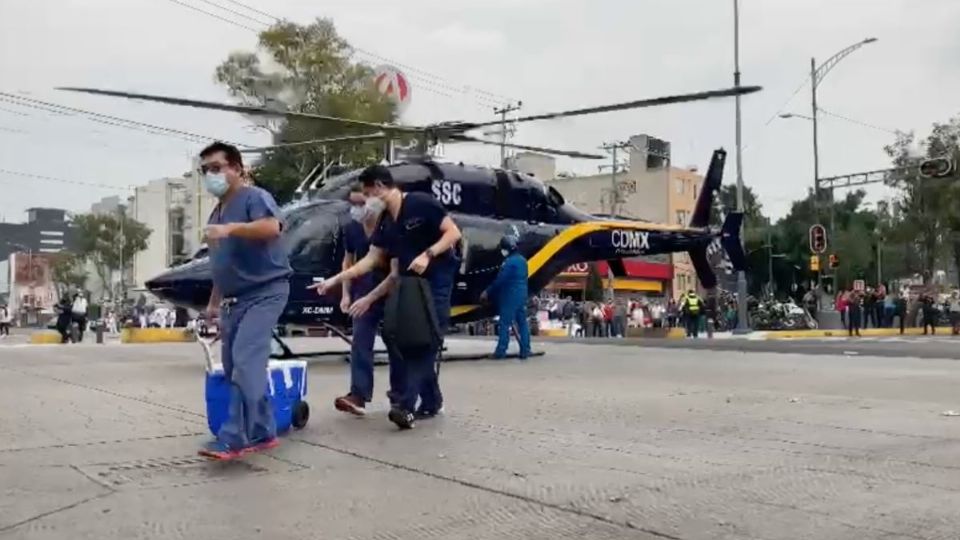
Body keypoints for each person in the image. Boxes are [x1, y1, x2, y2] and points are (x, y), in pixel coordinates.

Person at [311, 165, 461, 430]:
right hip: (407, 283)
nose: (367, 201)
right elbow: (372, 260)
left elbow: (453, 233)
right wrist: (336, 281)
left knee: (428, 339)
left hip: (437, 279)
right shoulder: (386, 223)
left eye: (368, 194)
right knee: (403, 336)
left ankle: (404, 405)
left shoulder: (420, 204)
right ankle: (432, 401)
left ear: (380, 187)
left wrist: (428, 254)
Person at [196, 142, 292, 460]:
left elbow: (272, 227)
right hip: (233, 299)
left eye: (216, 167)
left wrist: (230, 229)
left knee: (245, 361)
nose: (211, 175)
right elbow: (223, 266)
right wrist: (213, 304)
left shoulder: (254, 198)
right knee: (238, 365)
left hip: (266, 291)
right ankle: (264, 430)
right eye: (205, 169)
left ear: (236, 169)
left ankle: (233, 436)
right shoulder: (216, 214)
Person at [334, 184, 399, 416]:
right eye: (352, 204)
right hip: (362, 291)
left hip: (390, 289)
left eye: (361, 203)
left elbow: (395, 269)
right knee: (360, 341)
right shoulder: (351, 229)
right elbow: (348, 261)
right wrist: (346, 293)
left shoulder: (390, 224)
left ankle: (401, 396)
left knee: (397, 342)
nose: (357, 208)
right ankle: (358, 395)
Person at [480, 234, 531, 359]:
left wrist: (488, 292)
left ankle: (501, 351)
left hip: (510, 296)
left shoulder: (508, 263)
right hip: (522, 294)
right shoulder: (523, 260)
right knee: (522, 323)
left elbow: (500, 280)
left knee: (504, 324)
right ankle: (525, 350)